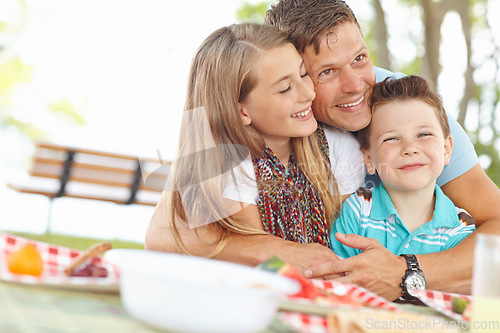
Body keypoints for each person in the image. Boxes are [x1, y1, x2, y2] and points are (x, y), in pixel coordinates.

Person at [147, 0, 500, 301]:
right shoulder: (250, 104)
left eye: (360, 58)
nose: (355, 86)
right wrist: (274, 251)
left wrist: (406, 273)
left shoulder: (409, 111)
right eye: (326, 71)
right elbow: (163, 233)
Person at [146, 22, 366, 261]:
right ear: (241, 111)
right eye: (285, 89)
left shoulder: (336, 147)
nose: (308, 93)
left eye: (303, 74)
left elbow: (341, 244)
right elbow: (255, 253)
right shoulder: (227, 165)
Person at [330, 75, 476, 260]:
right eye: (391, 139)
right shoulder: (357, 212)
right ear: (369, 159)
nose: (410, 149)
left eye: (424, 134)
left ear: (446, 150)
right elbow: (338, 280)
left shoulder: (460, 227)